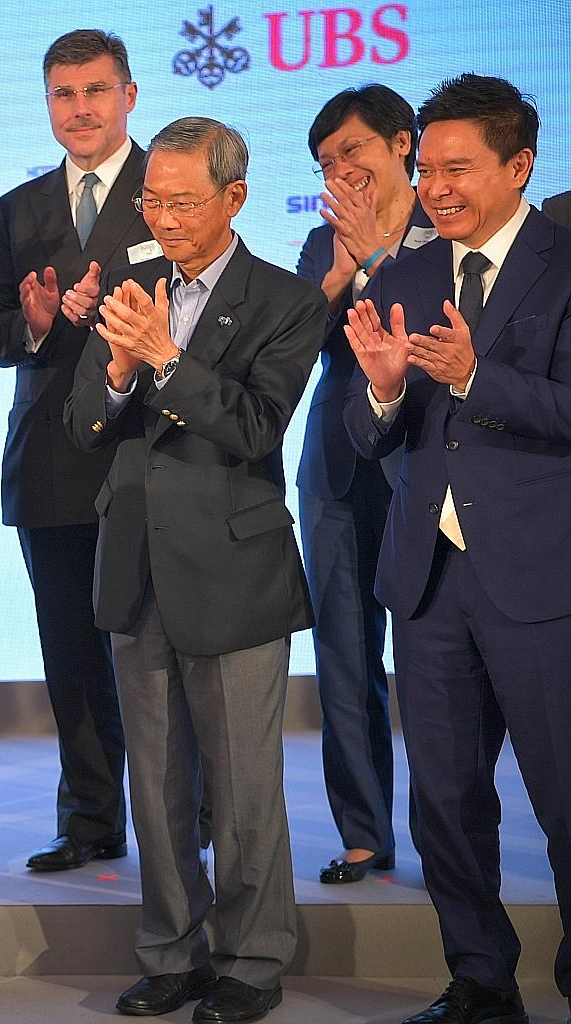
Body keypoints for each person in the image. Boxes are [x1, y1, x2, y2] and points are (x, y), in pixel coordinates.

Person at [65, 117, 325, 1023]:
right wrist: (117, 373)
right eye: (153, 199)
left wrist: (167, 362)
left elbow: (256, 427)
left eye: (183, 200)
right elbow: (80, 427)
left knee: (245, 790)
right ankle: (171, 952)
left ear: (235, 197)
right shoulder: (134, 290)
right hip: (136, 563)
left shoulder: (286, 301)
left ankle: (252, 961)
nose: (164, 216)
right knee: (157, 779)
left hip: (232, 570)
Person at [341, 74, 571, 1024]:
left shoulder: (566, 265)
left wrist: (477, 376)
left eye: (458, 168)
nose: (435, 187)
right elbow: (366, 432)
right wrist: (387, 393)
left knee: (565, 803)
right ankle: (480, 978)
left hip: (542, 580)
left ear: (520, 166)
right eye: (424, 167)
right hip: (428, 583)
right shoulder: (401, 275)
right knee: (444, 803)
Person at [0, 30, 152, 874]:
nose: (79, 109)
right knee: (70, 655)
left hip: (148, 451)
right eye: (62, 94)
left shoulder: (172, 188)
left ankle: (178, 818)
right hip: (50, 457)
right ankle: (89, 818)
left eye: (94, 91)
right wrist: (40, 322)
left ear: (129, 95)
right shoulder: (17, 208)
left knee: (156, 653)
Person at [295, 85, 433, 886]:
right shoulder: (322, 244)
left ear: (402, 144)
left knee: (430, 657)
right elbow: (293, 344)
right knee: (344, 652)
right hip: (339, 470)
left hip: (426, 463)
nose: (342, 170)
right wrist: (340, 267)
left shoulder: (444, 232)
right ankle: (363, 832)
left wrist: (376, 265)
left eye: (354, 151)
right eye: (327, 161)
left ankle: (445, 829)